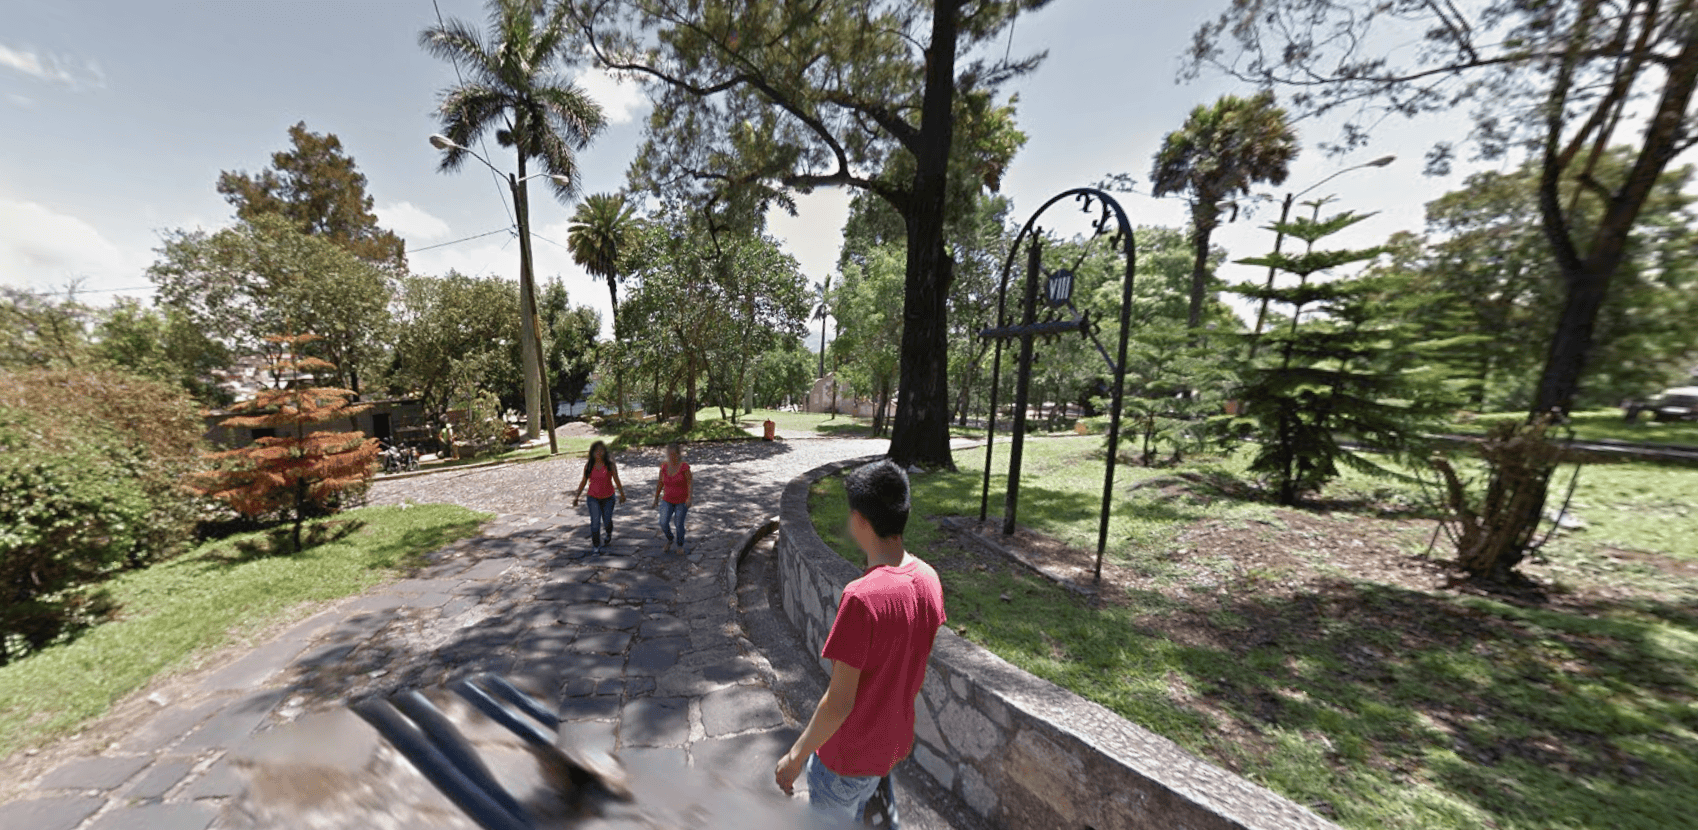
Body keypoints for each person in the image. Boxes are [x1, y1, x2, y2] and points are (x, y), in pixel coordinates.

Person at [773, 459, 946, 828]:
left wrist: (794, 758)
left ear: (860, 521)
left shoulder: (862, 599)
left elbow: (839, 703)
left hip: (846, 761)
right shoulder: (929, 579)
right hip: (889, 748)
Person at [571, 440, 626, 553]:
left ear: (605, 451)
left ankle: (608, 532)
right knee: (595, 522)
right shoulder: (589, 466)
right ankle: (596, 545)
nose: (599, 453)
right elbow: (583, 481)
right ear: (592, 452)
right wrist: (577, 496)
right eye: (596, 450)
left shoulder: (610, 465)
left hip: (608, 497)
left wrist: (622, 494)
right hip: (593, 498)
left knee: (607, 520)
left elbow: (616, 479)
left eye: (601, 450)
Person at [652, 441, 693, 554]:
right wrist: (656, 498)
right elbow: (660, 483)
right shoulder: (664, 466)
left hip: (681, 500)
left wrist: (689, 498)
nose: (671, 457)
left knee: (679, 523)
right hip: (667, 499)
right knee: (663, 522)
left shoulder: (684, 467)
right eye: (669, 454)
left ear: (678, 455)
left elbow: (689, 482)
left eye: (674, 455)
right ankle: (670, 539)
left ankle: (680, 544)